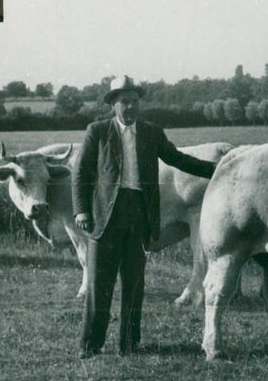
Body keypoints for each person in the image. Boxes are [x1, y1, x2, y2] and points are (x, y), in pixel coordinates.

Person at [72, 75, 215, 358]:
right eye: (124, 101)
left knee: (135, 284)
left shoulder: (152, 133)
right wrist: (81, 210)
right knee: (99, 284)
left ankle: (129, 343)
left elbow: (178, 159)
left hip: (140, 215)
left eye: (134, 101)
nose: (130, 107)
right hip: (104, 217)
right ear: (113, 104)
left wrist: (218, 169)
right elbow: (81, 173)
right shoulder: (97, 131)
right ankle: (91, 345)